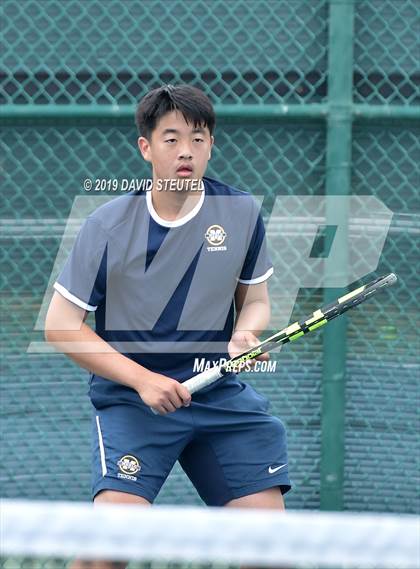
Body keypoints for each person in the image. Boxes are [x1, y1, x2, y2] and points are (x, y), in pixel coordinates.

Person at [45, 84, 291, 569]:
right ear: (146, 147)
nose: (186, 151)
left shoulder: (239, 213)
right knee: (105, 557)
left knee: (272, 554)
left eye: (198, 139)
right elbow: (60, 326)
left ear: (211, 146)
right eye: (172, 138)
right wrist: (143, 380)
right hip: (134, 403)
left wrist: (246, 332)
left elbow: (256, 301)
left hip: (219, 396)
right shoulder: (109, 224)